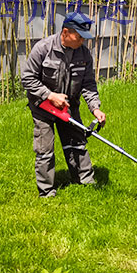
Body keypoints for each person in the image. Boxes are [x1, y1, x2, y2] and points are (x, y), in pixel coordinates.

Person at [21, 12, 106, 197]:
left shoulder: (84, 54)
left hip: (69, 106)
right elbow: (27, 78)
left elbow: (88, 84)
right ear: (66, 32)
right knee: (45, 150)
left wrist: (95, 108)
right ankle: (47, 192)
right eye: (79, 36)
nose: (83, 41)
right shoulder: (43, 48)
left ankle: (85, 183)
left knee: (77, 143)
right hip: (43, 107)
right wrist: (50, 95)